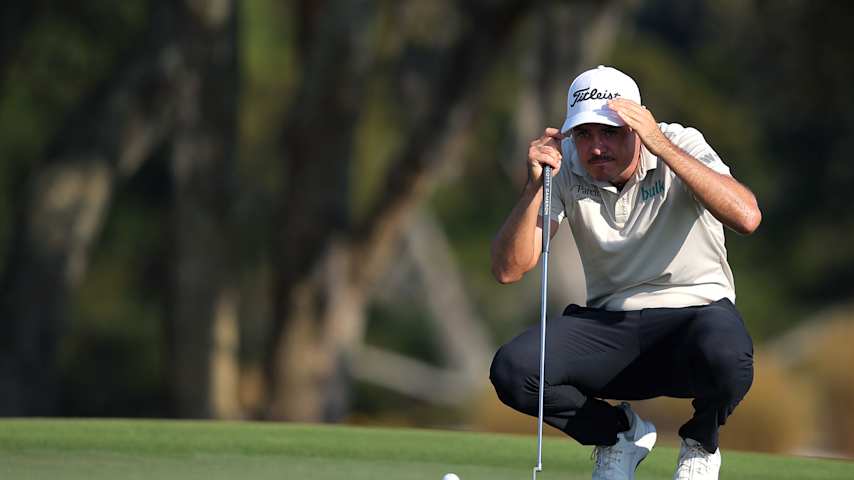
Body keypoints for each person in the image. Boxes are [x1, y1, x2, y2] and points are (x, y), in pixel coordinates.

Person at [488, 65, 760, 480]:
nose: (596, 147)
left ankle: (700, 444)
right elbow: (509, 269)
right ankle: (617, 437)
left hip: (695, 318)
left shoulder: (679, 142)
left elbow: (746, 216)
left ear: (638, 125)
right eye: (585, 134)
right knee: (514, 370)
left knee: (729, 356)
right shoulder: (564, 169)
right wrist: (533, 188)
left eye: (610, 132)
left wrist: (660, 143)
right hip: (611, 327)